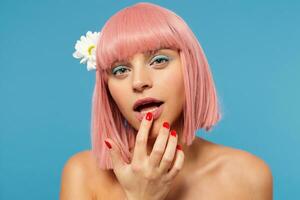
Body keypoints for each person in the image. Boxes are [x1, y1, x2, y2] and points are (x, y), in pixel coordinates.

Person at [60, 2, 273, 200]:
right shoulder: (82, 174)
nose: (139, 82)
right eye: (121, 70)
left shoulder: (248, 176)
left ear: (191, 68)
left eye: (159, 60)